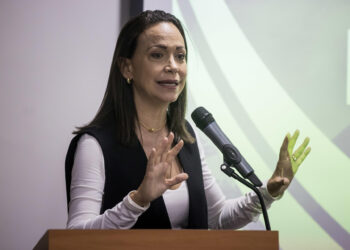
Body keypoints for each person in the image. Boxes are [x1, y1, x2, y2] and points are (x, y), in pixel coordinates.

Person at [65, 10, 311, 229]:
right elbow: (76, 237)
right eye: (158, 55)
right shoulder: (95, 145)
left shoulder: (186, 138)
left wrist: (268, 192)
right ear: (127, 68)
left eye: (180, 56)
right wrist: (138, 200)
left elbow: (217, 219)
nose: (173, 66)